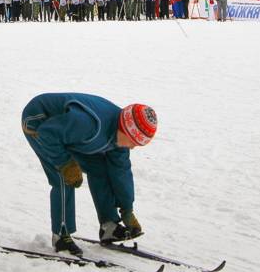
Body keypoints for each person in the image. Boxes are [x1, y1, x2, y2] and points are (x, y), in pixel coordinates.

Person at [20, 92, 157, 255]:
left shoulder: (120, 140)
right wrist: (65, 163)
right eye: (134, 142)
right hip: (39, 121)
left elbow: (121, 173)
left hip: (68, 132)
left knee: (99, 169)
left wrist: (127, 209)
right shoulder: (89, 124)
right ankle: (61, 236)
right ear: (126, 130)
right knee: (64, 177)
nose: (133, 147)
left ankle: (109, 227)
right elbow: (47, 134)